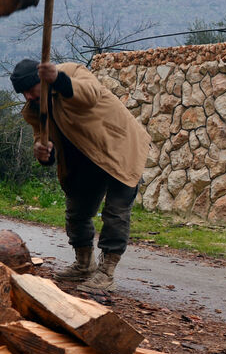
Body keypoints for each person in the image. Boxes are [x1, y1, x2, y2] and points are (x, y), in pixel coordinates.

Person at [13, 58, 149, 292]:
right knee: (77, 213)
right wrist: (42, 151)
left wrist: (58, 80)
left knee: (115, 213)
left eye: (30, 90)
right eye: (23, 93)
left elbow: (89, 95)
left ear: (42, 80)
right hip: (83, 160)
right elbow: (42, 139)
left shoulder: (71, 72)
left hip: (119, 148)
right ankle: (84, 264)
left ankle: (106, 273)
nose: (28, 97)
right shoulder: (35, 109)